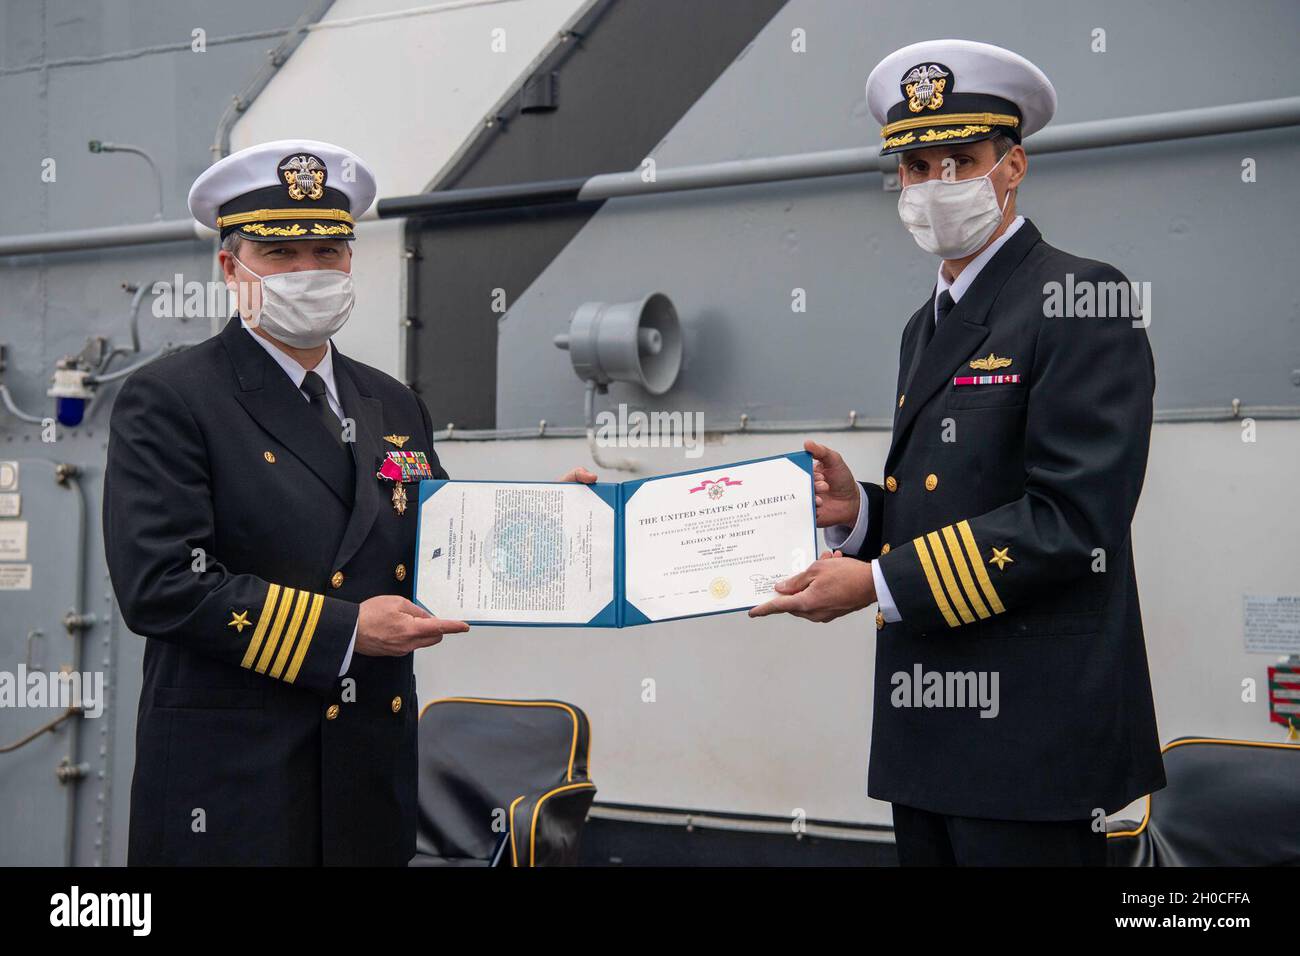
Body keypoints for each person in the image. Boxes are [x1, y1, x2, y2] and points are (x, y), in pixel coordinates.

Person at [104, 139, 595, 865]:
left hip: (370, 778)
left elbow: (433, 542)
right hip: (237, 783)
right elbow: (161, 586)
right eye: (281, 253)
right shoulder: (173, 397)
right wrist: (344, 631)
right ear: (230, 268)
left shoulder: (389, 401)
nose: (309, 271)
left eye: (328, 250)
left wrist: (538, 526)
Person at [750, 41, 1165, 865]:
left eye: (960, 161)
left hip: (1032, 739)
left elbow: (1073, 521)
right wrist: (862, 514)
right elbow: (958, 493)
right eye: (914, 167)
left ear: (1012, 168)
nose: (935, 186)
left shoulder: (1080, 299)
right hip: (929, 735)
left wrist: (876, 583)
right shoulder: (927, 323)